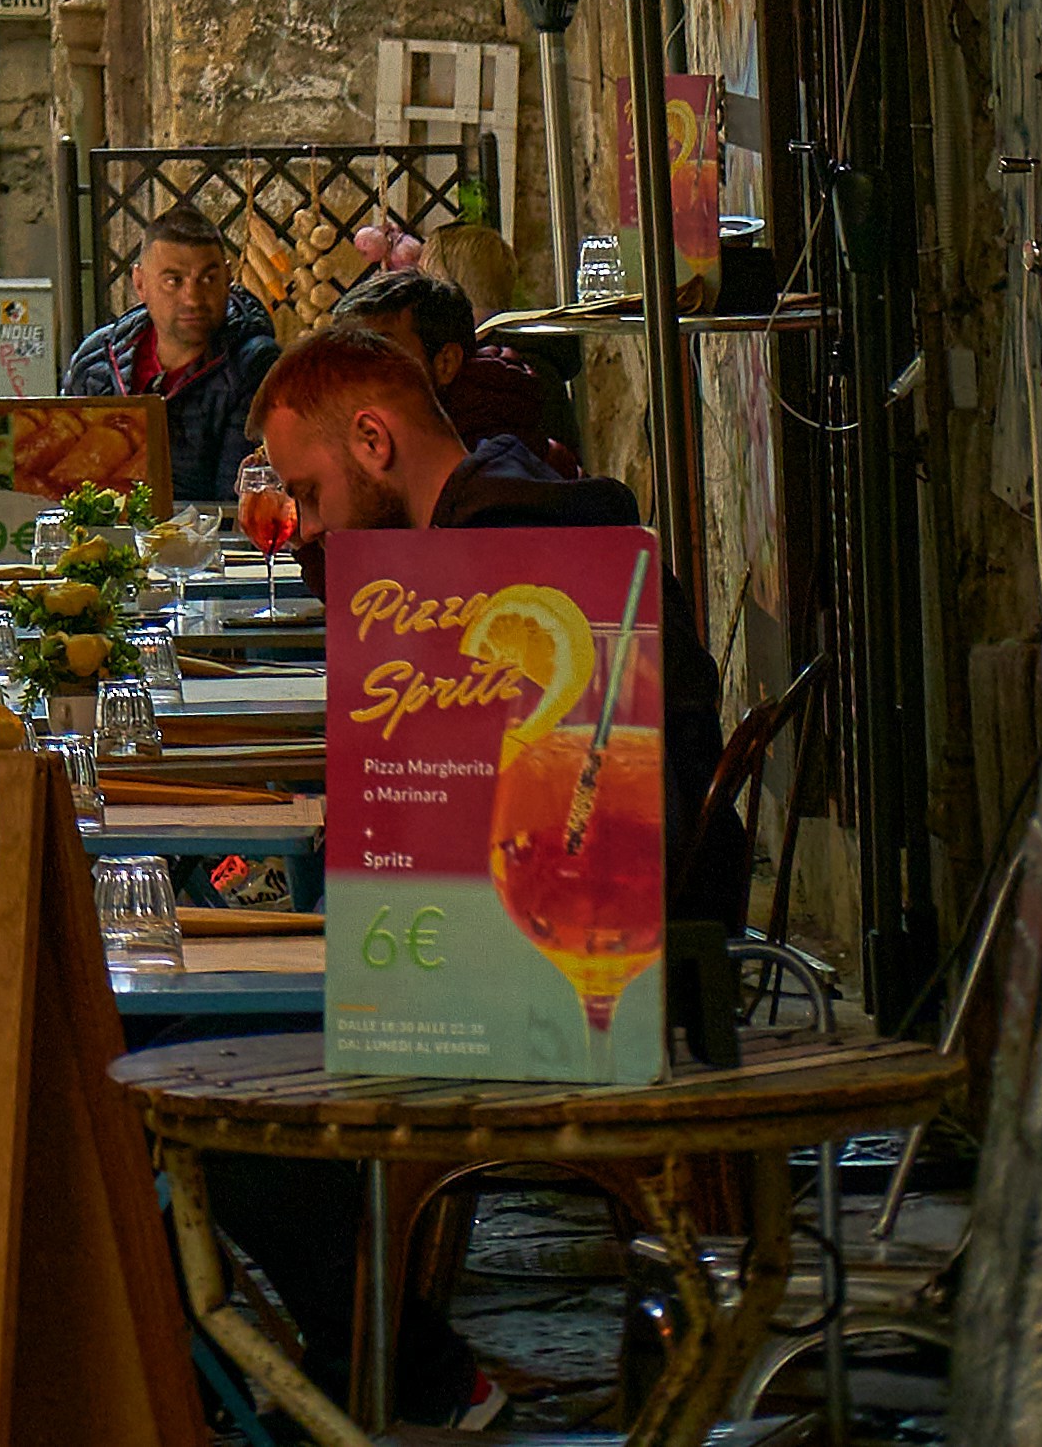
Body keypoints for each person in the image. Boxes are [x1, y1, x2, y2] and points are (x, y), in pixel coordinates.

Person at [227, 329, 746, 1432]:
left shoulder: (505, 546)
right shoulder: (501, 511)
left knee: (222, 1092)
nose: (305, 522)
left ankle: (395, 1376)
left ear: (374, 438)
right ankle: (369, 1369)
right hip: (618, 921)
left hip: (582, 954)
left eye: (310, 492)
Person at [61, 203, 279, 504]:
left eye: (208, 279)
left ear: (228, 278)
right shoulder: (97, 358)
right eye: (173, 281)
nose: (192, 298)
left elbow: (235, 504)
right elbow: (63, 477)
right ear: (140, 283)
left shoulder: (252, 364)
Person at [339, 266, 585, 480]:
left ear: (445, 363)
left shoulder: (492, 465)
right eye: (346, 359)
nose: (354, 376)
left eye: (379, 352)